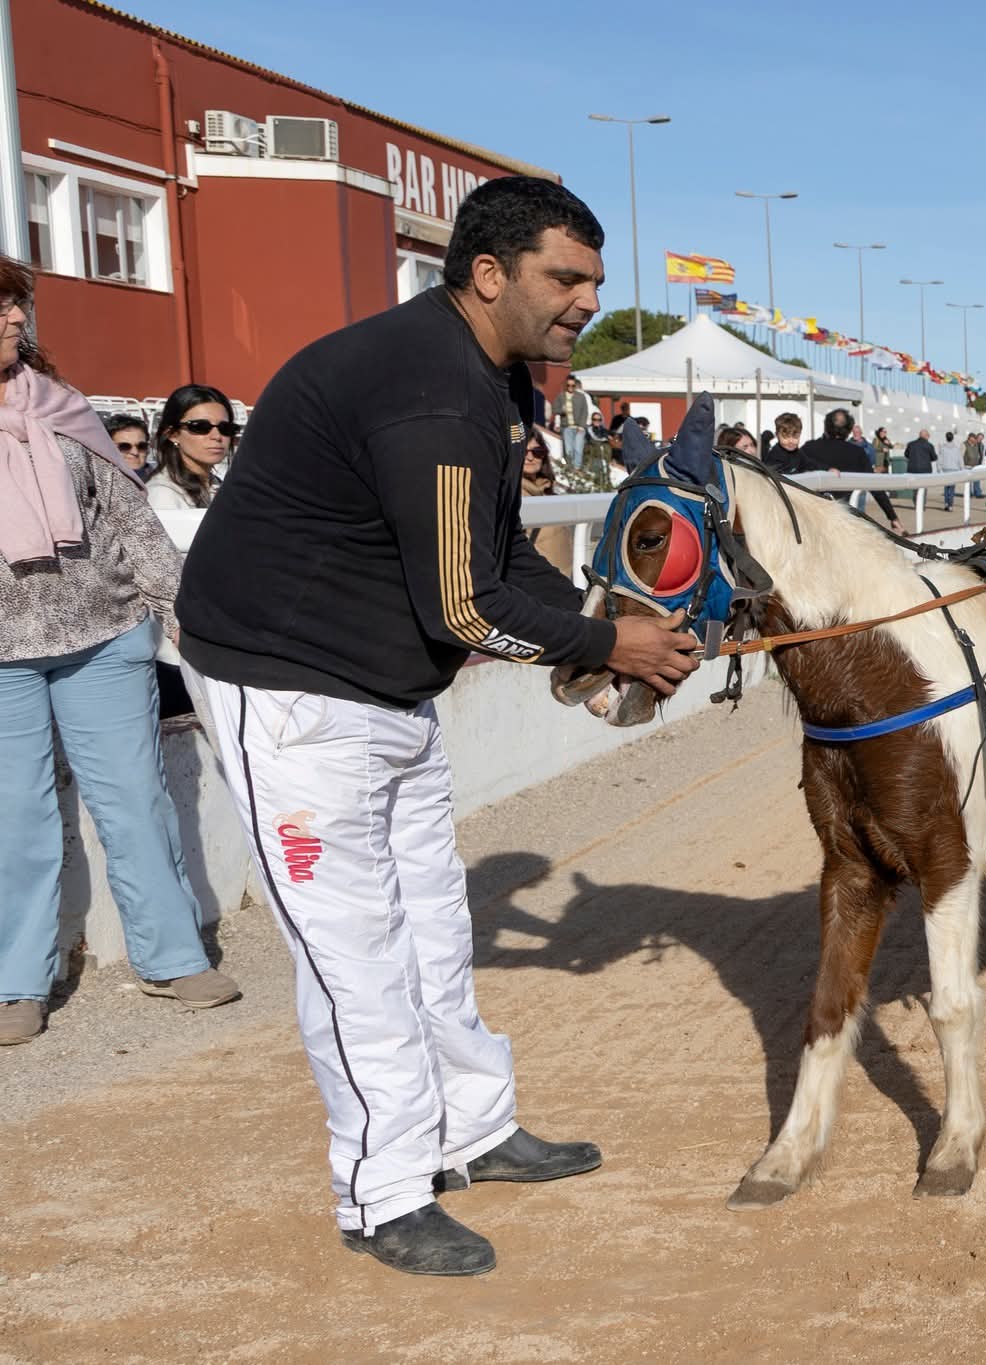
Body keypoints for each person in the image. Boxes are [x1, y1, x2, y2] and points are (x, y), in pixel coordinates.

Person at [173, 177, 702, 1276]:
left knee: (433, 930)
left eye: (596, 282)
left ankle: (471, 1130)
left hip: (385, 690)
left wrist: (588, 634)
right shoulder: (432, 392)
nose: (586, 301)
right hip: (289, 694)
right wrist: (608, 649)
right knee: (355, 961)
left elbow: (499, 555)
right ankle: (381, 1194)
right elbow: (460, 608)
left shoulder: (492, 378)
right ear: (489, 273)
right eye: (566, 278)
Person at [0, 254, 238, 1047]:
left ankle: (170, 956)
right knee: (15, 820)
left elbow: (131, 518)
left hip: (103, 635)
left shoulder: (65, 408)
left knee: (135, 800)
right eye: (1, 308)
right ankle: (16, 982)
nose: (15, 320)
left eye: (17, 307)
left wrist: (178, 607)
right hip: (2, 655)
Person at [795, 408, 904, 534]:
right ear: (848, 430)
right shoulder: (857, 453)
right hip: (842, 518)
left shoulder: (809, 448)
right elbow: (875, 486)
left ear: (826, 426)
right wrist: (892, 517)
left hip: (808, 517)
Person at [145, 383, 238, 510]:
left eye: (225, 428)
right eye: (200, 427)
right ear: (173, 434)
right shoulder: (163, 495)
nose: (217, 436)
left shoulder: (218, 486)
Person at [519, 432, 576, 578]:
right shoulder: (512, 495)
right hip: (534, 584)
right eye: (523, 451)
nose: (530, 457)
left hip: (563, 582)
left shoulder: (548, 492)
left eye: (537, 452)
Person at [551, 376, 590, 474]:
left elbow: (584, 411)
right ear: (566, 385)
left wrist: (581, 426)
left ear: (575, 385)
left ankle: (577, 468)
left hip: (579, 427)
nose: (570, 387)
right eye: (568, 385)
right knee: (569, 449)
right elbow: (554, 409)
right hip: (567, 427)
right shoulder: (561, 396)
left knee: (578, 448)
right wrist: (561, 411)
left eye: (573, 385)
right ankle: (570, 468)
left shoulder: (581, 397)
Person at [937, 429, 964, 512]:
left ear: (946, 438)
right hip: (954, 470)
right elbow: (960, 459)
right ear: (952, 438)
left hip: (945, 469)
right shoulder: (956, 448)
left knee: (946, 488)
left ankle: (946, 503)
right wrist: (962, 468)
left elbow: (939, 459)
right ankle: (950, 505)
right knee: (952, 489)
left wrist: (939, 468)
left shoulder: (943, 448)